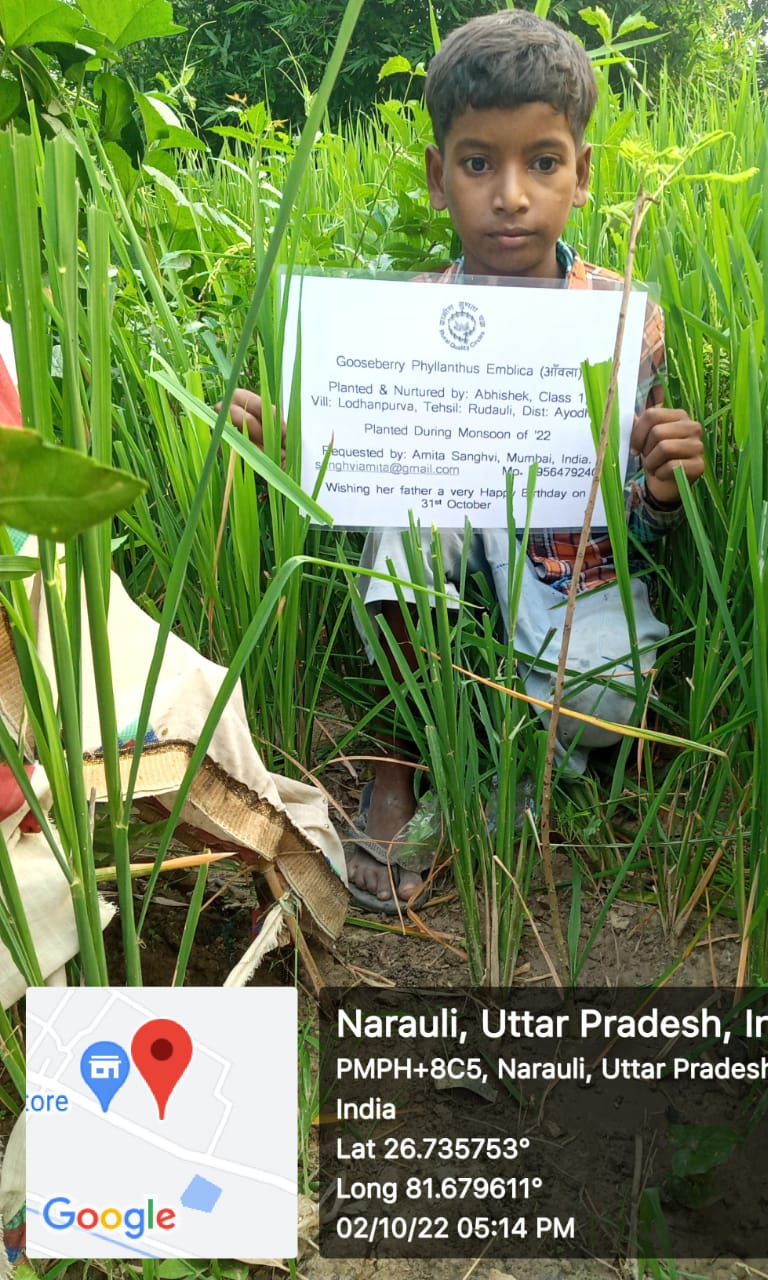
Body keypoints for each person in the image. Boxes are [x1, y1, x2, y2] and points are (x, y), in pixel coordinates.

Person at [227, 10, 705, 911]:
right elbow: (355, 476)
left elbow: (632, 525)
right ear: (439, 179)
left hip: (562, 561)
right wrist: (286, 447)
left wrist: (657, 489)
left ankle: (518, 760)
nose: (512, 194)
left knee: (604, 698)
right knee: (410, 526)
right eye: (479, 163)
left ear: (583, 176)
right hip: (442, 531)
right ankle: (402, 763)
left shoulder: (623, 318)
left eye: (543, 162)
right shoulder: (406, 315)